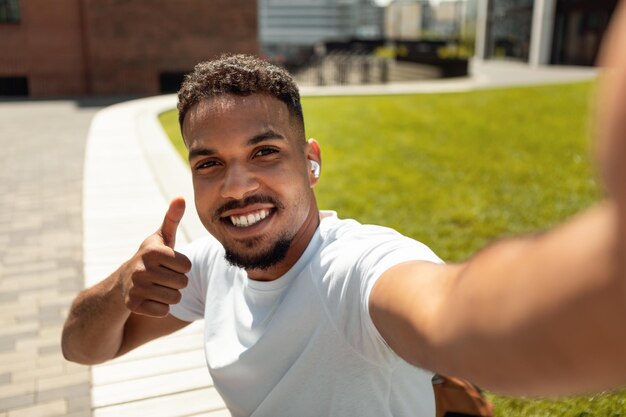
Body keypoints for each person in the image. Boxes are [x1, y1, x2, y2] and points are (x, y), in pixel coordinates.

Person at [63, 3, 626, 414]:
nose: (236, 187)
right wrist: (122, 287)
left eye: (265, 152)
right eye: (209, 163)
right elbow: (82, 346)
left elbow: (459, 313)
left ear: (311, 162)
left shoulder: (355, 271)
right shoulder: (209, 266)